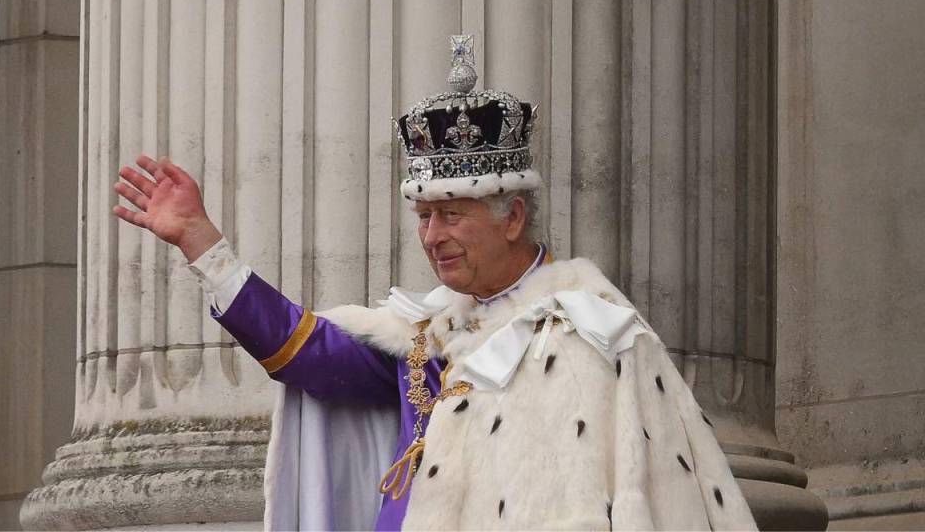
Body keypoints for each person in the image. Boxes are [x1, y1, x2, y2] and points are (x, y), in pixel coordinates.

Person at [114, 36, 757, 531]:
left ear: (514, 218)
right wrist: (202, 241)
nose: (432, 236)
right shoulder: (427, 340)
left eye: (451, 214)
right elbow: (303, 350)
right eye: (424, 217)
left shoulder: (598, 333)